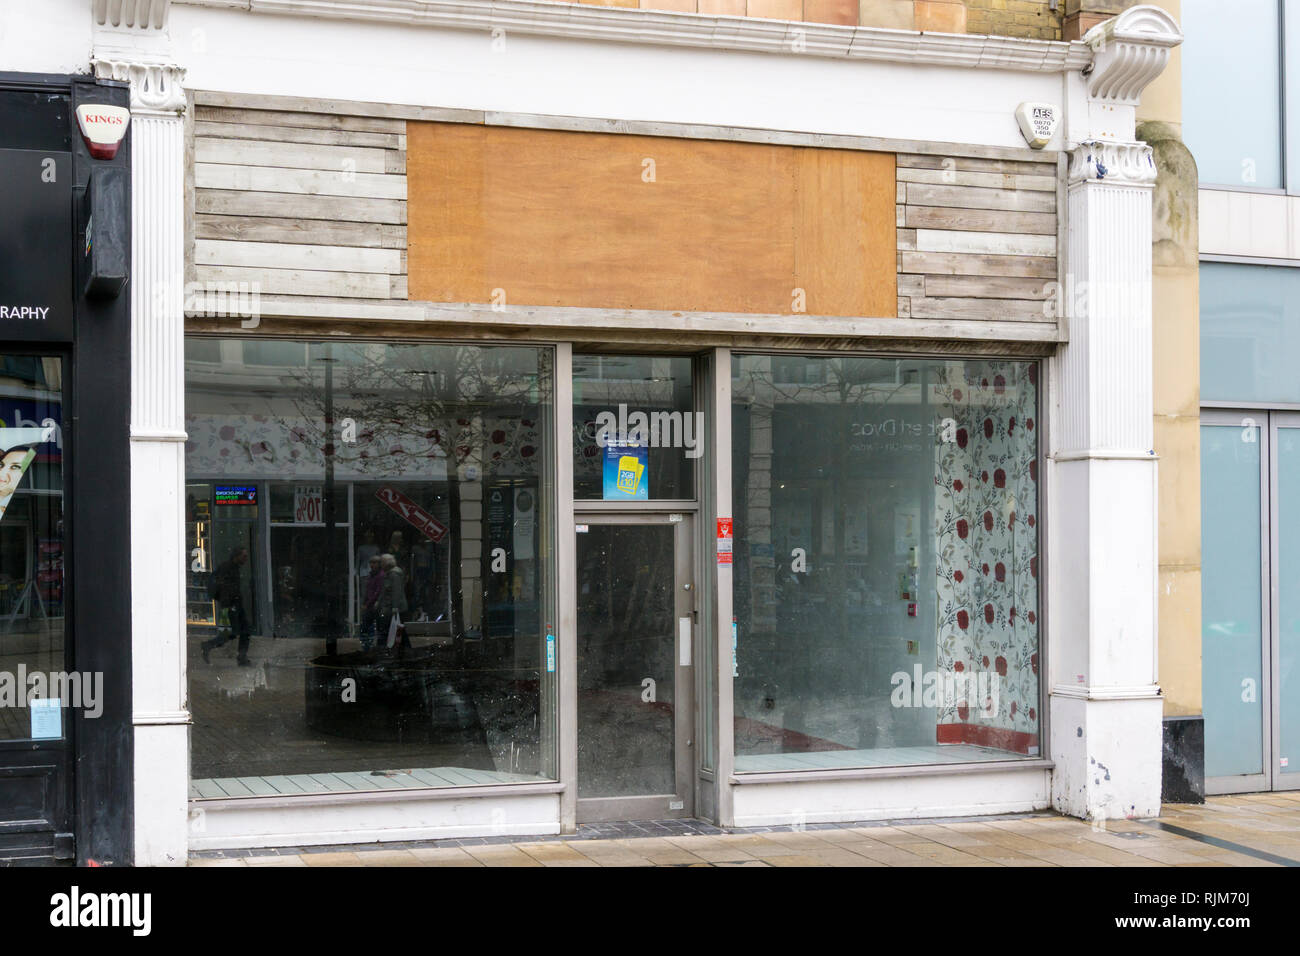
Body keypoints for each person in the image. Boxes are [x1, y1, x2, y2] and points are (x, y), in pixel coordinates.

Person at [202, 546, 253, 666]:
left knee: (244, 631)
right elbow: (224, 588)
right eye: (244, 556)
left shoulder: (234, 568)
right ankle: (208, 646)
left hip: (235, 604)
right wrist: (228, 606)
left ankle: (242, 657)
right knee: (231, 633)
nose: (246, 559)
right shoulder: (227, 568)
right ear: (237, 556)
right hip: (231, 606)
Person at [377, 552, 408, 650]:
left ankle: (387, 648)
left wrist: (395, 607)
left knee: (397, 629)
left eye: (381, 562)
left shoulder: (394, 575)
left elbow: (396, 591)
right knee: (399, 630)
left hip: (394, 608)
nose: (380, 565)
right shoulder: (390, 574)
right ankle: (403, 648)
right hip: (393, 607)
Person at [359, 554, 384, 651]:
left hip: (374, 606)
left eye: (374, 563)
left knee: (372, 626)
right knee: (366, 626)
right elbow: (368, 591)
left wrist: (367, 603)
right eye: (371, 562)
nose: (372, 565)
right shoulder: (371, 575)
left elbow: (377, 592)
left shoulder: (380, 575)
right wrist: (364, 603)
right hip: (369, 605)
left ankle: (370, 646)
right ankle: (367, 646)